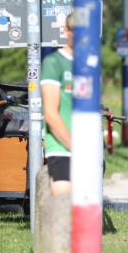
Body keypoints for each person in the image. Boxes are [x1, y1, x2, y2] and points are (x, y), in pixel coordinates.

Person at [41, 14, 74, 196]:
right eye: (73, 30)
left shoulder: (90, 64)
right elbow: (51, 114)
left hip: (88, 149)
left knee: (86, 214)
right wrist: (75, 146)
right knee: (63, 207)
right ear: (65, 30)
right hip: (63, 149)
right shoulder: (54, 62)